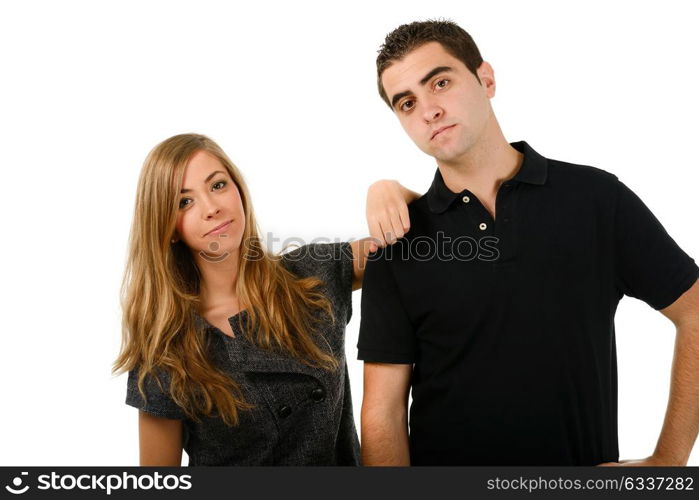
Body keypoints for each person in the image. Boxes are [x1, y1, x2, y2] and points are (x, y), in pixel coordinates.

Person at [358, 20, 699, 466]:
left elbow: (694, 311)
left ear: (486, 79)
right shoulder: (398, 240)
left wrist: (667, 463)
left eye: (440, 82)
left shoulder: (595, 199)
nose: (428, 110)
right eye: (407, 103)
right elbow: (382, 415)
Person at [113, 133, 415, 465]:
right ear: (168, 227)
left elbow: (417, 246)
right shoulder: (167, 352)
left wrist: (390, 191)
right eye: (184, 201)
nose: (212, 208)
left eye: (217, 185)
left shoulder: (311, 275)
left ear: (239, 190)